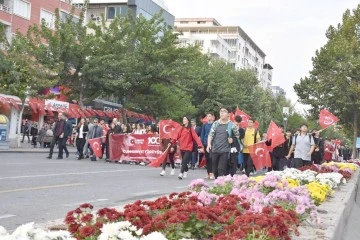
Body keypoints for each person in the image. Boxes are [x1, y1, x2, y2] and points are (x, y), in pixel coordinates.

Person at [207, 107, 241, 179]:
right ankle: (218, 182)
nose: (222, 113)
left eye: (224, 111)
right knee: (215, 170)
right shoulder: (215, 123)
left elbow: (237, 136)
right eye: (221, 111)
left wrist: (232, 139)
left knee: (221, 169)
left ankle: (219, 185)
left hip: (225, 151)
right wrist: (209, 144)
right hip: (215, 149)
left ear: (228, 114)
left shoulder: (232, 125)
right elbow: (211, 134)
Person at [200, 113, 215, 179]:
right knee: (208, 159)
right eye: (207, 116)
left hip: (213, 143)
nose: (208, 117)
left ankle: (212, 173)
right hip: (206, 143)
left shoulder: (215, 124)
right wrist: (202, 143)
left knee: (212, 158)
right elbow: (202, 134)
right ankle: (209, 173)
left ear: (212, 117)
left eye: (210, 116)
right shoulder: (205, 125)